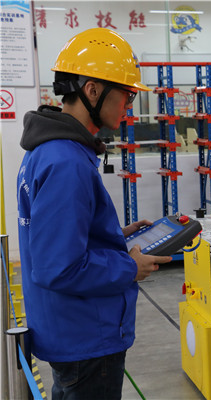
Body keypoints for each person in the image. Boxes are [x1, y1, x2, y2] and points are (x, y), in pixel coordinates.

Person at [16, 28, 172, 400]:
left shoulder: (47, 151)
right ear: (92, 90)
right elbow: (59, 267)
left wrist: (114, 234)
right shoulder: (66, 162)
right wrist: (130, 267)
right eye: (127, 94)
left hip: (69, 330)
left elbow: (55, 236)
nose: (129, 105)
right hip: (86, 338)